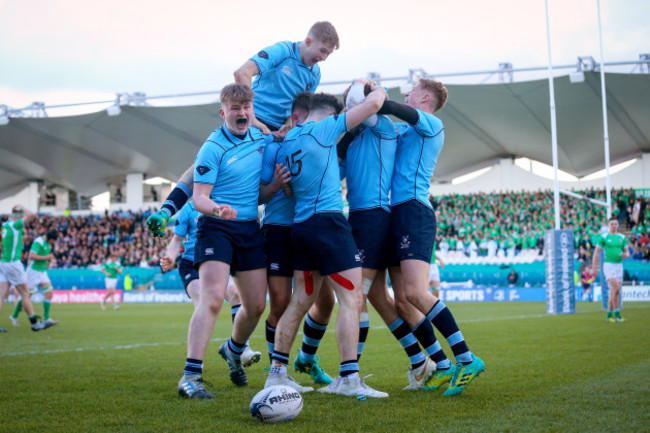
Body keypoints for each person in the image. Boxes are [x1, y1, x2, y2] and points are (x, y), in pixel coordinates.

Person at [145, 22, 340, 238]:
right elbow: (242, 73)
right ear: (308, 41)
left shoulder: (315, 74)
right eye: (322, 51)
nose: (324, 57)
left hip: (274, 134)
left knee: (268, 184)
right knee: (206, 162)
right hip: (251, 122)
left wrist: (287, 129)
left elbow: (297, 105)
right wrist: (253, 119)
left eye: (328, 54)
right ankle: (166, 212)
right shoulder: (284, 51)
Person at [264, 86, 389, 398]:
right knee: (352, 299)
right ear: (332, 115)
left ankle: (277, 373)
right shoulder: (325, 129)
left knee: (300, 301)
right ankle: (348, 378)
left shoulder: (289, 140)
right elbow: (374, 103)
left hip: (301, 227)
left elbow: (288, 190)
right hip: (328, 223)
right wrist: (374, 88)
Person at [378, 78, 484, 396]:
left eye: (411, 89)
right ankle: (442, 365)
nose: (405, 93)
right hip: (395, 214)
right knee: (403, 299)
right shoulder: (406, 132)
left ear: (425, 96)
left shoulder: (431, 123)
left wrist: (375, 97)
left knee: (417, 293)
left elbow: (395, 109)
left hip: (414, 211)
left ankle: (466, 359)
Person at [339, 81, 436, 390]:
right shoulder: (355, 138)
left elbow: (375, 108)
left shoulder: (383, 127)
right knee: (380, 298)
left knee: (356, 295)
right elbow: (339, 152)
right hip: (364, 217)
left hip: (374, 218)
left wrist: (365, 92)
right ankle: (422, 362)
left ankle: (348, 375)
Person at [177, 83, 268, 399]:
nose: (241, 114)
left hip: (250, 229)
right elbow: (198, 197)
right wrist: (217, 209)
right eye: (235, 109)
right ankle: (190, 376)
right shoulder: (212, 147)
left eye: (246, 108)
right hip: (216, 227)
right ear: (223, 112)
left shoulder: (260, 139)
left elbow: (262, 188)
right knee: (213, 298)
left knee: (256, 305)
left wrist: (279, 184)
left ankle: (233, 349)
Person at [259, 92, 335, 387]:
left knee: (325, 301)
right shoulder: (273, 147)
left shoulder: (320, 142)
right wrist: (278, 185)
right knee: (280, 302)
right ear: (295, 118)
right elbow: (258, 195)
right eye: (305, 120)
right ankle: (277, 372)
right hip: (278, 229)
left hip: (310, 226)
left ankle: (306, 358)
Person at [161, 201, 261, 367]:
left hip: (217, 261)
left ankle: (241, 350)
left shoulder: (225, 201)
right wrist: (170, 256)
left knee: (236, 295)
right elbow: (177, 239)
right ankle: (193, 367)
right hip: (191, 264)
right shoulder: (188, 209)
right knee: (203, 300)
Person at [0, 205, 50, 331]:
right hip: (13, 264)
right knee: (25, 293)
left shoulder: (5, 225)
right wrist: (22, 208)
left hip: (3, 262)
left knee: (1, 295)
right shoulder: (16, 225)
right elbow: (32, 215)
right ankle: (34, 323)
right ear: (19, 215)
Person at [10, 229, 59, 327]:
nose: (54, 242)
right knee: (27, 296)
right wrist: (47, 258)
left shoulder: (47, 244)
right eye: (54, 240)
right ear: (50, 238)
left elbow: (44, 256)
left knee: (49, 293)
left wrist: (47, 263)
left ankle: (46, 319)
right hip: (33, 272)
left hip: (42, 271)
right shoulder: (38, 242)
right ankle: (14, 316)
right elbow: (31, 256)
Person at [593, 217, 630, 322]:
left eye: (615, 223)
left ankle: (609, 315)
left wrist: (625, 254)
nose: (614, 225)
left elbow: (628, 252)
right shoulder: (603, 237)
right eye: (612, 224)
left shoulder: (622, 237)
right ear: (608, 225)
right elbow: (596, 253)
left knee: (614, 291)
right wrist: (594, 268)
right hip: (609, 265)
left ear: (618, 225)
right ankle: (617, 315)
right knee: (617, 288)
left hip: (619, 266)